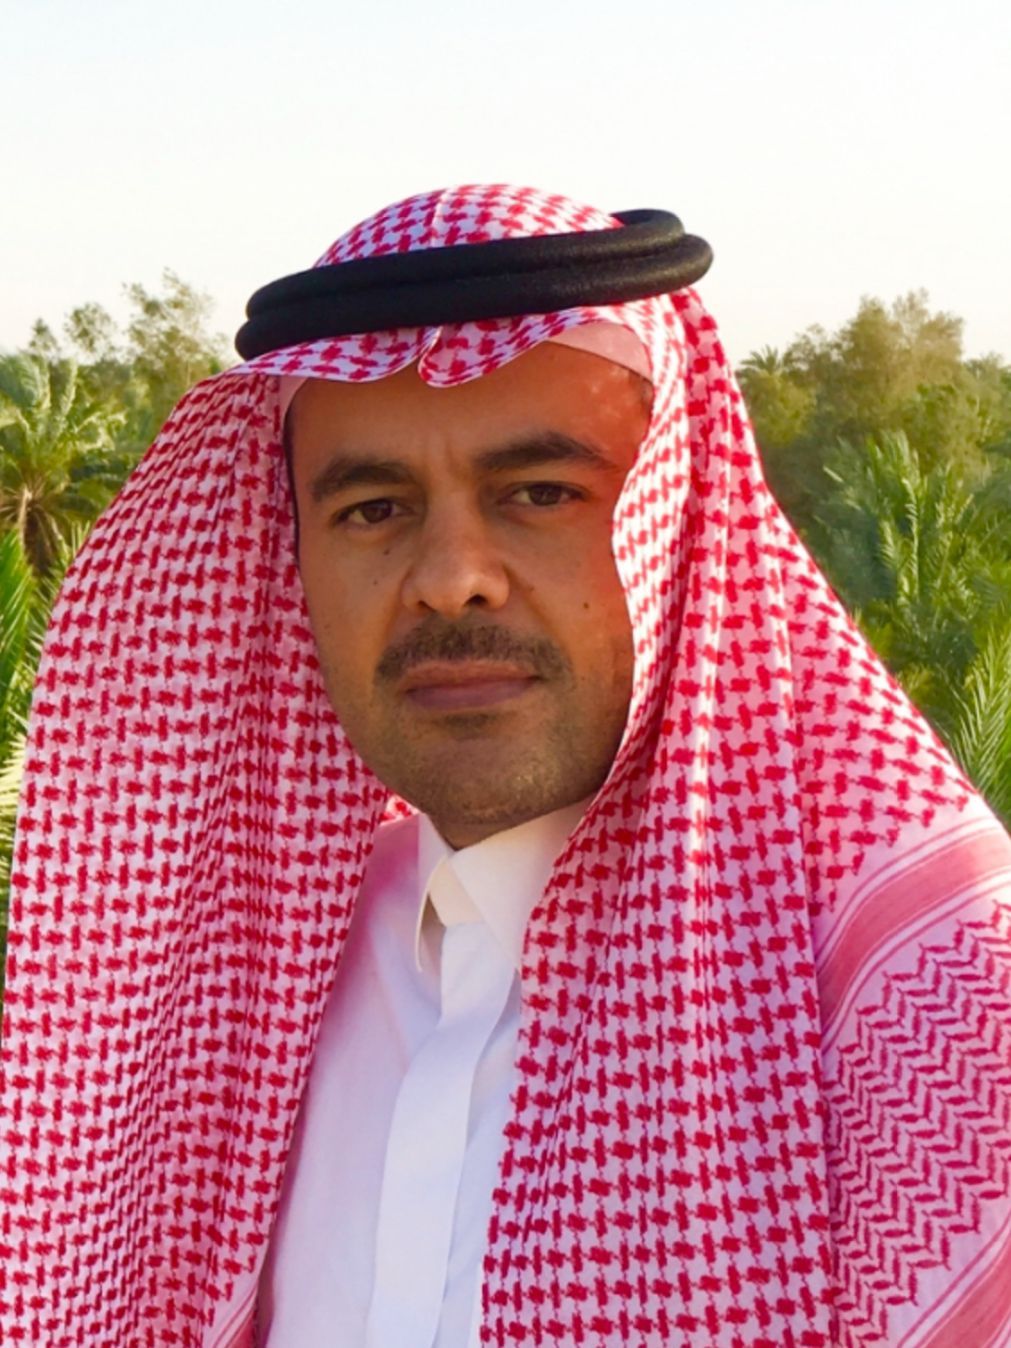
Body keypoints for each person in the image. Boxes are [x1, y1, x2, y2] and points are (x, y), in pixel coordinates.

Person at [1, 184, 1009, 1348]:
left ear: (675, 521)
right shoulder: (232, 1002)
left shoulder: (942, 1020)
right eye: (373, 508)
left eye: (540, 493)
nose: (451, 578)